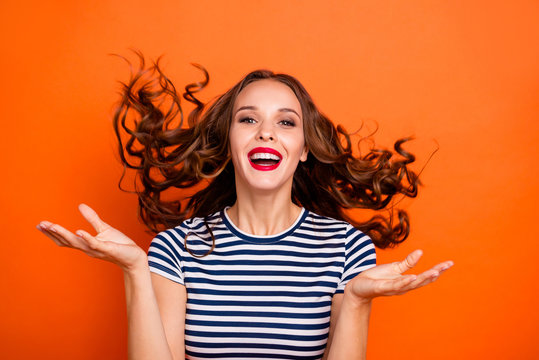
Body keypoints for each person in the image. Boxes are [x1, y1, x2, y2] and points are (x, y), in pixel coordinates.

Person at [37, 56, 453, 360]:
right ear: (228, 142)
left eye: (286, 122)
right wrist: (134, 272)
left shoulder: (346, 249)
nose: (267, 133)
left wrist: (359, 300)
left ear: (305, 149)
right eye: (248, 120)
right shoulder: (175, 248)